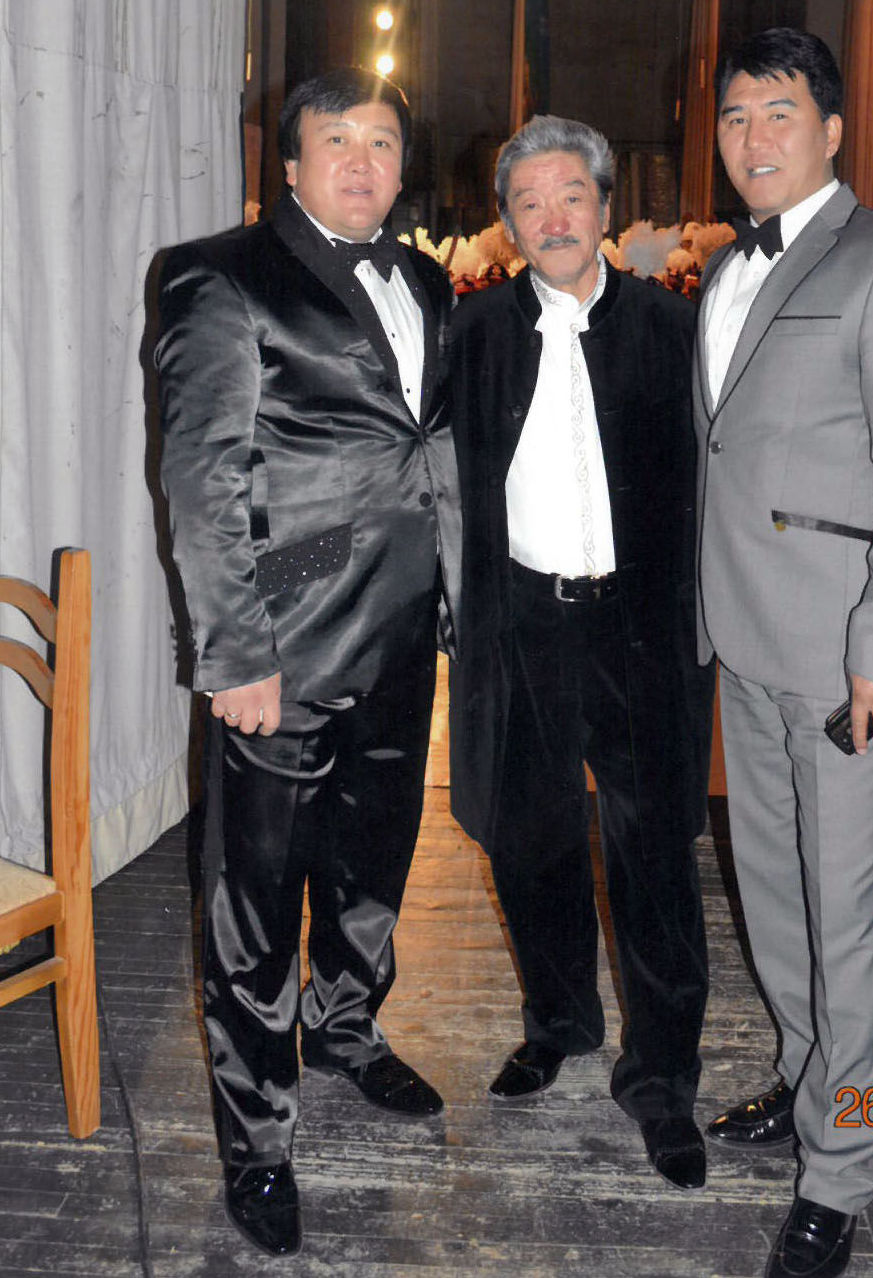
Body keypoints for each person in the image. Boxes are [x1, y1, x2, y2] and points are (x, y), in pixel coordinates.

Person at [155, 67, 460, 1257]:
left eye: (381, 141)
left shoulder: (424, 279)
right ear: (288, 165)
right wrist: (234, 652)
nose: (361, 162)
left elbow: (422, 449)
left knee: (371, 862)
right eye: (336, 141)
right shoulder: (218, 276)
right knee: (253, 900)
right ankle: (257, 1139)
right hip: (279, 645)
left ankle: (345, 1029)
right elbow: (203, 481)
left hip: (402, 633)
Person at [694, 30, 873, 1278]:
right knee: (774, 896)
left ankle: (843, 1162)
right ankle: (809, 1079)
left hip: (844, 656)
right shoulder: (723, 270)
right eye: (735, 116)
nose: (753, 137)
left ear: (832, 130)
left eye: (779, 113)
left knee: (850, 923)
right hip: (742, 640)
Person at [448, 114, 715, 1190]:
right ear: (505, 224)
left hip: (642, 625)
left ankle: (662, 1079)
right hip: (518, 620)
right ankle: (558, 1022)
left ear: (605, 205)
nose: (552, 218)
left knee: (653, 858)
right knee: (530, 841)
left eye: (571, 196)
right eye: (529, 202)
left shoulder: (674, 328)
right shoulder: (472, 333)